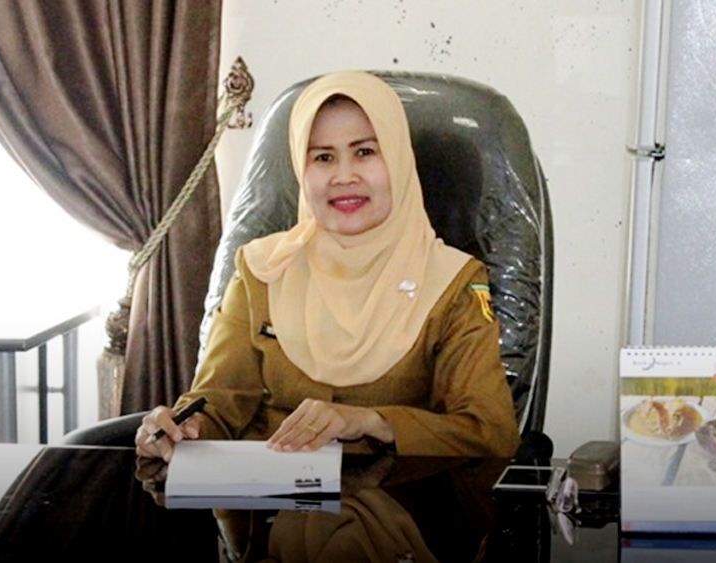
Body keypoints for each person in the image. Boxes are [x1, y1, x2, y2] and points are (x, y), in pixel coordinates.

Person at [135, 70, 520, 461]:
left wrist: (373, 422)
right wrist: (179, 430)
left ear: (399, 160)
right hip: (267, 491)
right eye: (323, 157)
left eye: (365, 152)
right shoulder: (263, 271)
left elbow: (488, 432)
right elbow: (216, 406)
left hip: (395, 491)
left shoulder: (452, 282)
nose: (344, 176)